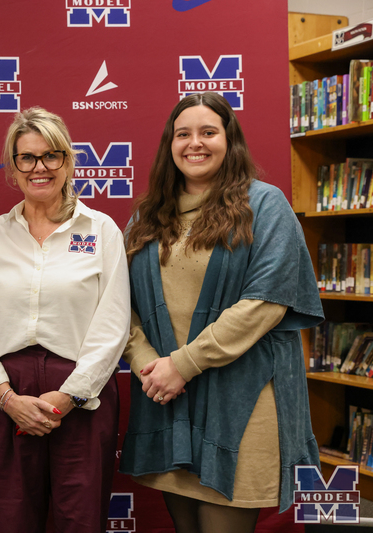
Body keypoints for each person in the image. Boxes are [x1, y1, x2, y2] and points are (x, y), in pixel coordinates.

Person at [119, 92, 324, 533]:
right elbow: (120, 304)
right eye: (183, 134)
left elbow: (266, 302)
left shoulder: (265, 206)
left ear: (229, 142)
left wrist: (183, 364)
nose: (195, 143)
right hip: (170, 398)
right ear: (169, 145)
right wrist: (148, 366)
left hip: (243, 398)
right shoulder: (147, 216)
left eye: (209, 132)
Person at [0, 107, 131, 533]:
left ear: (68, 161)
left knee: (81, 520)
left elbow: (113, 324)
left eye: (51, 156)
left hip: (82, 396)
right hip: (8, 396)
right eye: (27, 158)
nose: (40, 168)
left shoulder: (101, 230)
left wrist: (69, 396)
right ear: (13, 168)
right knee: (11, 520)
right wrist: (6, 398)